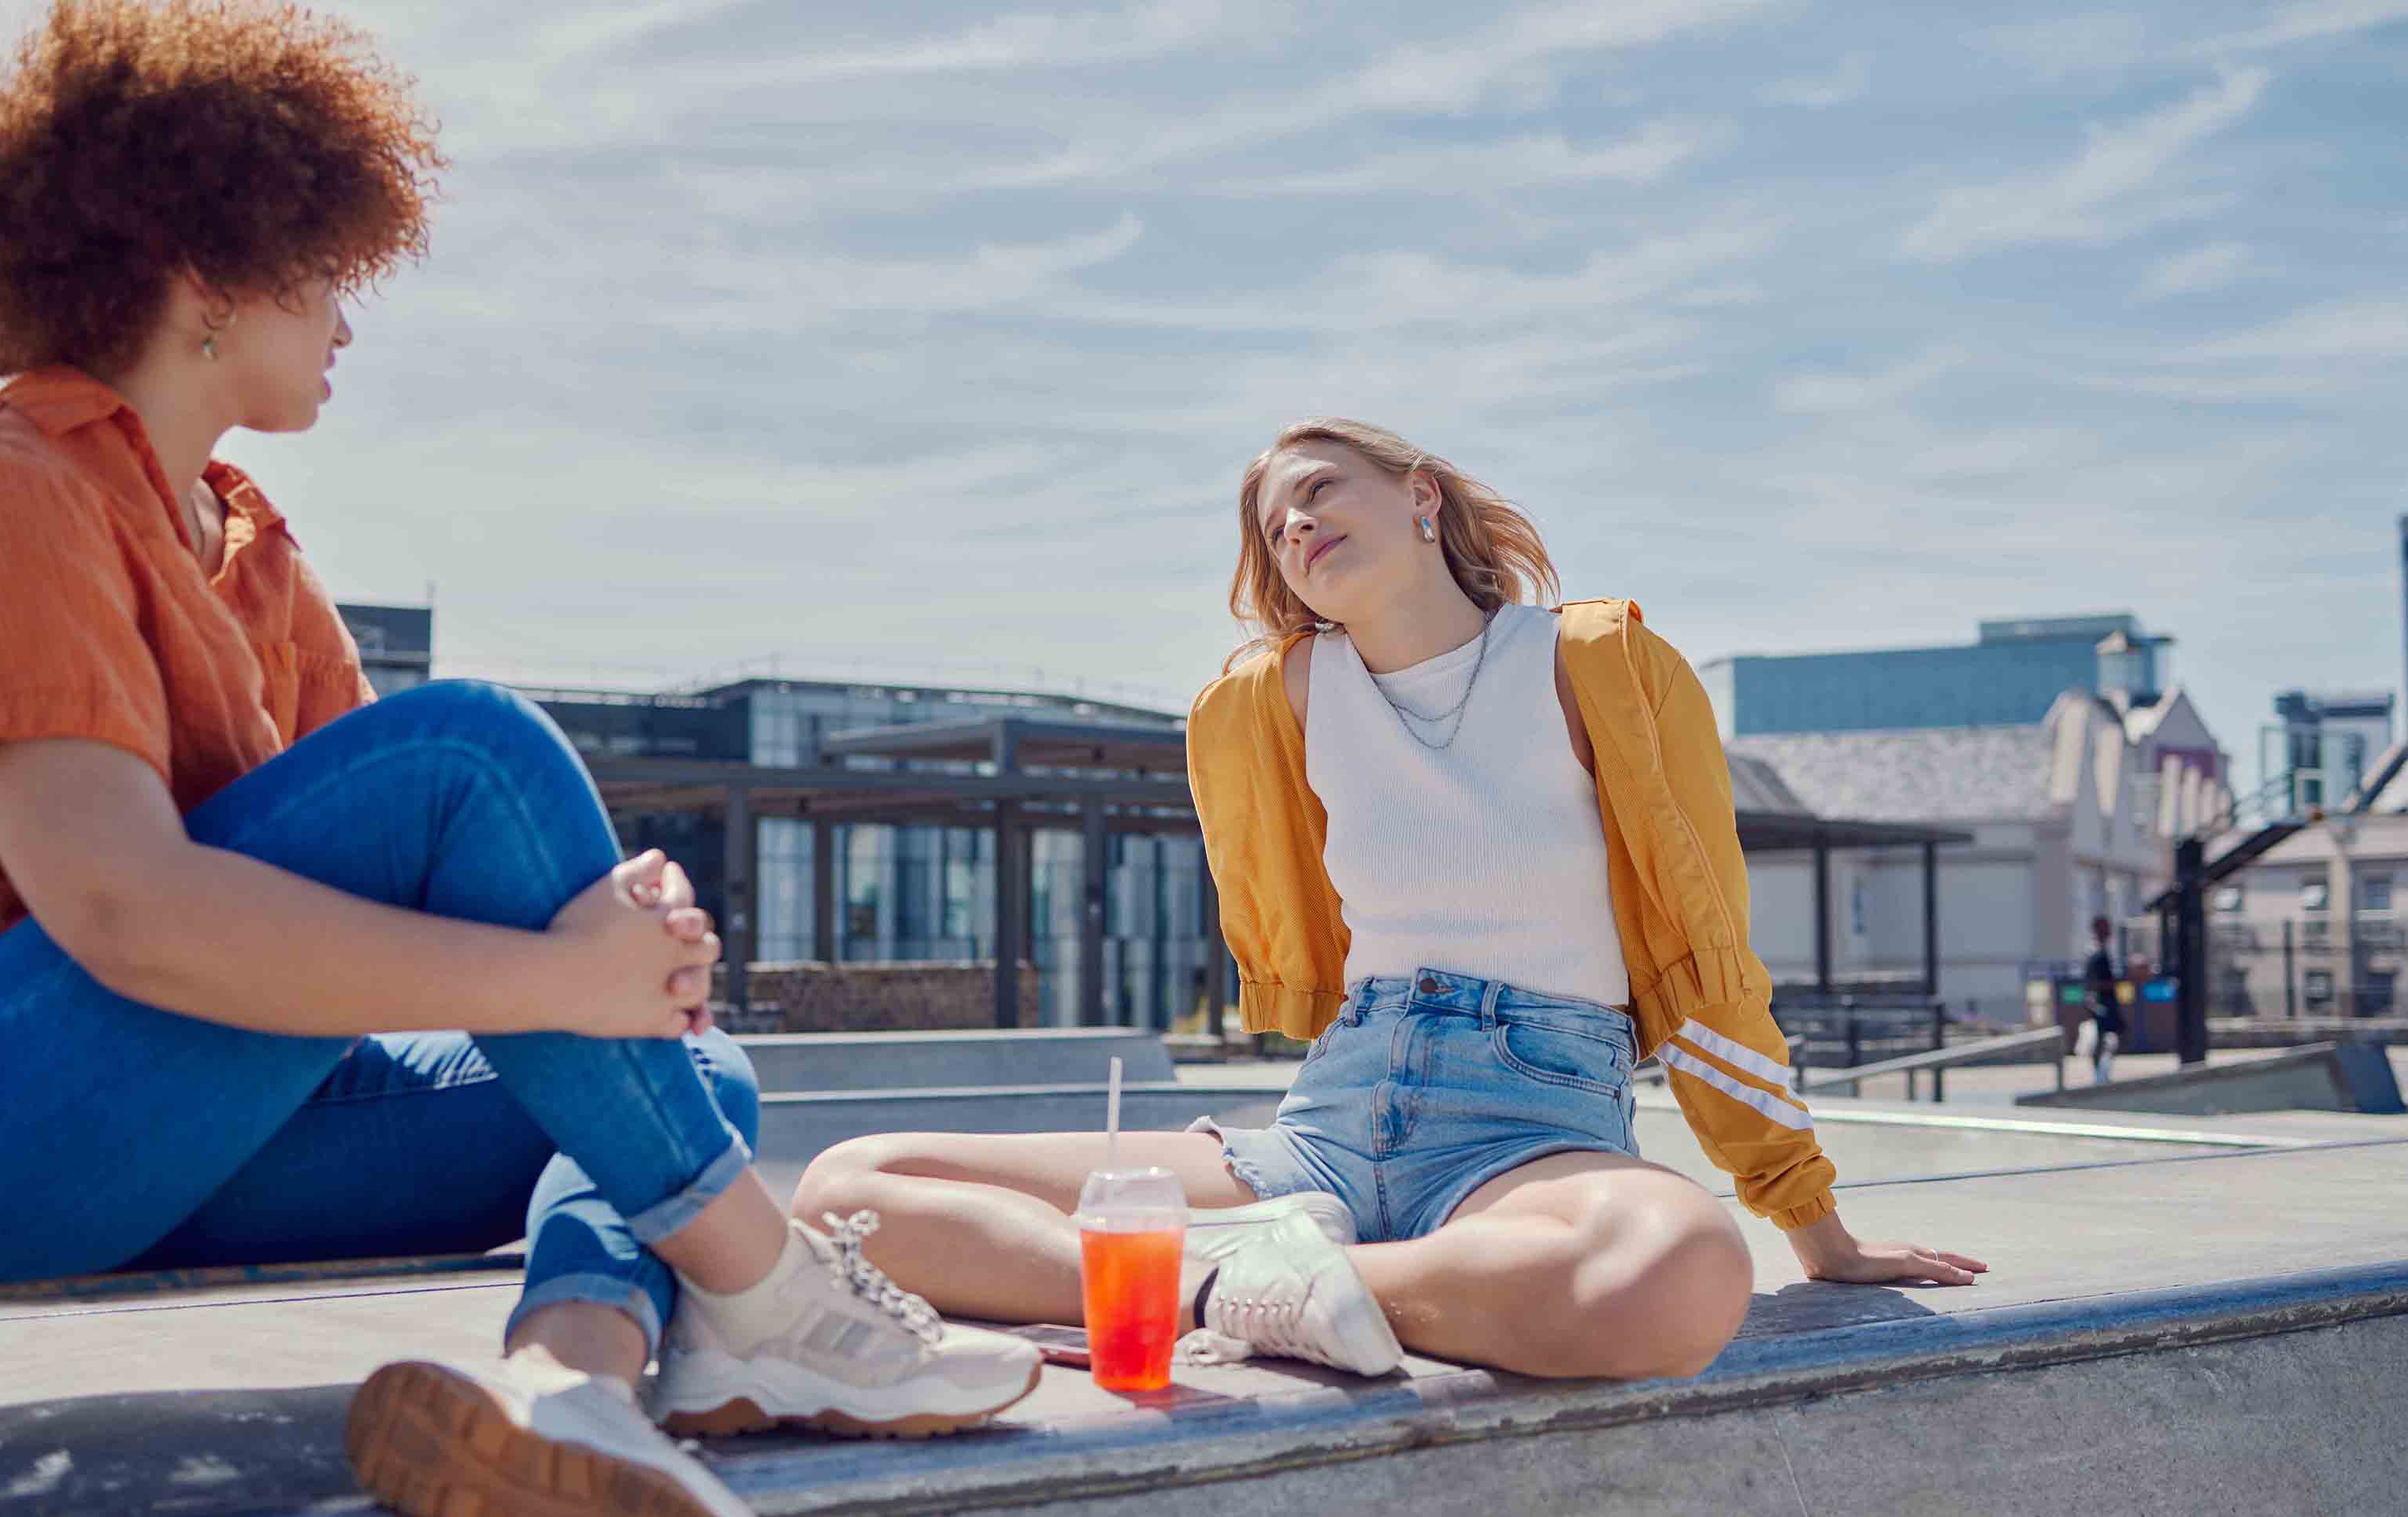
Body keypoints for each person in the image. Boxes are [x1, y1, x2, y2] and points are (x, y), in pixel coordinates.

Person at [0, 6, 1036, 1517]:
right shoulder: (23, 477)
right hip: (36, 1118)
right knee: (463, 754)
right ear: (208, 281)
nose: (350, 316)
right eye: (326, 266)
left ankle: (567, 1393)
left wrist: (607, 960)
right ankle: (780, 1304)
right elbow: (120, 904)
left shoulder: (254, 556)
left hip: (185, 1142)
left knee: (683, 1061)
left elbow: (420, 913)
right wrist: (557, 979)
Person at [792, 419, 1987, 1382]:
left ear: (1420, 495)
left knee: (1675, 1271)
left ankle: (1300, 1277)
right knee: (853, 1185)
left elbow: (1705, 952)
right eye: (1275, 523)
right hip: (1332, 1117)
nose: (1297, 523)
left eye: (1318, 489)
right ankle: (1240, 1282)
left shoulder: (1597, 667)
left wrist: (1811, 1228)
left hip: (1530, 1124)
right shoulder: (1272, 704)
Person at [2082, 915, 2126, 1084]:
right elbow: (2093, 982)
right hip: (2101, 1003)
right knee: (2103, 1038)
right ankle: (2100, 1075)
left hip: (2105, 1002)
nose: (2109, 931)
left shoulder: (2102, 951)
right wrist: (2113, 982)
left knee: (2112, 1035)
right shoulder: (2096, 953)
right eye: (2105, 928)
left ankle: (2102, 1072)